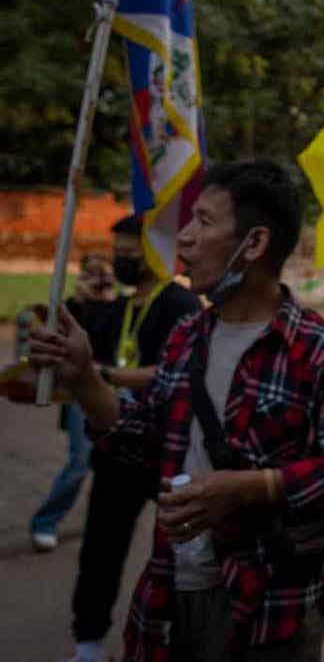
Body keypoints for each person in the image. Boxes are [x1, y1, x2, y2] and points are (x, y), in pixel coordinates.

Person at [28, 160, 324, 662]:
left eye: (204, 222)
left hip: (269, 608)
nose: (184, 239)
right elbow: (144, 441)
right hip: (168, 599)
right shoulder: (185, 338)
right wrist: (85, 378)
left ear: (253, 244)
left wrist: (248, 488)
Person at [70, 218, 203, 662]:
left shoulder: (181, 304)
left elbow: (168, 372)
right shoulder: (119, 307)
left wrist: (104, 375)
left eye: (131, 250)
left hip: (165, 445)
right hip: (118, 442)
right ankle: (88, 643)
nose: (121, 259)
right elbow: (85, 352)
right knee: (101, 547)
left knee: (176, 552)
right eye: (118, 250)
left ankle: (170, 636)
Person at [28, 252, 116, 552]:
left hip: (115, 390)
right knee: (80, 462)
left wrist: (107, 300)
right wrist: (83, 303)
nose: (97, 279)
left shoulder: (120, 306)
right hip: (83, 392)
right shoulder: (74, 308)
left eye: (101, 272)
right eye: (89, 273)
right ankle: (45, 522)